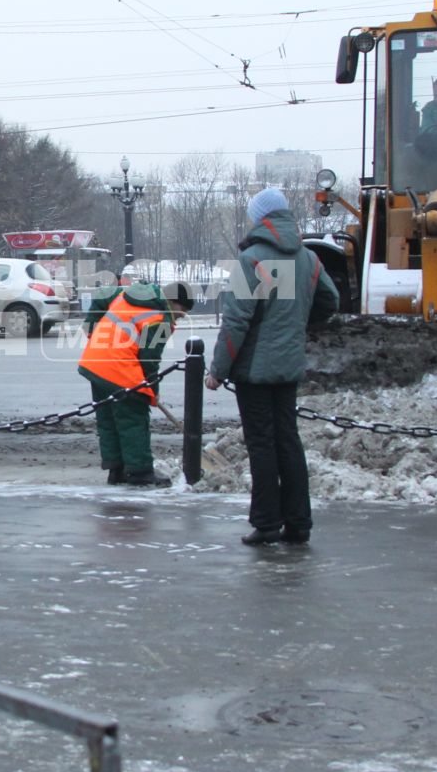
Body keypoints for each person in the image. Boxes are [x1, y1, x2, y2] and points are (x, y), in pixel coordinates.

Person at [207, 188, 339, 545]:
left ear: (259, 220)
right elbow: (331, 301)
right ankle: (299, 523)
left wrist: (217, 370)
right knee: (288, 441)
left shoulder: (251, 260)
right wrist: (297, 324)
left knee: (262, 444)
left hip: (253, 370)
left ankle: (266, 522)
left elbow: (236, 322)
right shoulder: (309, 258)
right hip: (289, 365)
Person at [78, 279, 193, 487]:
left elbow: (101, 295)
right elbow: (150, 360)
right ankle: (140, 472)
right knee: (133, 419)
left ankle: (117, 470)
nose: (181, 315)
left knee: (109, 420)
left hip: (95, 362)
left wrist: (93, 332)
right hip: (118, 367)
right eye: (182, 309)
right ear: (173, 301)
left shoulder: (131, 295)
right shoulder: (160, 319)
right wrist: (151, 391)